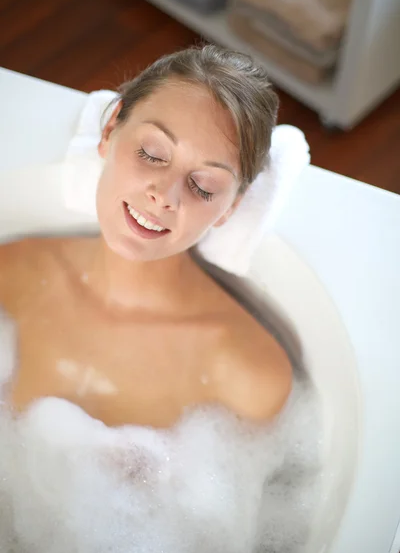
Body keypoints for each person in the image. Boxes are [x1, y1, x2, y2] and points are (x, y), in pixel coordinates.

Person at [0, 45, 292, 430]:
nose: (164, 196)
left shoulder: (248, 374)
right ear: (109, 131)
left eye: (203, 187)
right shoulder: (14, 273)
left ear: (231, 207)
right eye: (152, 153)